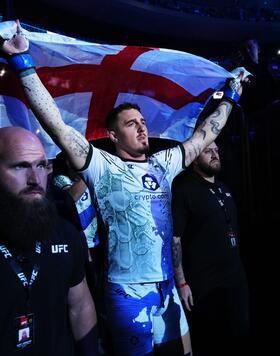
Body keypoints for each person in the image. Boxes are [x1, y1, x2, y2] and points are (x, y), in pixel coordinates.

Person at [0, 20, 247, 356]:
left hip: (167, 289)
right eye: (132, 124)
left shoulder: (164, 164)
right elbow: (56, 124)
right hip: (128, 293)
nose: (142, 129)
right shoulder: (102, 166)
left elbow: (204, 135)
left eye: (143, 123)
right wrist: (23, 63)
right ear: (114, 135)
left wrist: (231, 96)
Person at [0, 126, 99, 356]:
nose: (35, 179)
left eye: (41, 165)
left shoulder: (66, 233)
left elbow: (80, 305)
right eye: (20, 166)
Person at [171, 141, 250, 356]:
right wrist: (182, 283)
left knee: (239, 337)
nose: (215, 155)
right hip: (205, 285)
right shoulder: (185, 190)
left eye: (217, 150)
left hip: (235, 281)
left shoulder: (224, 188)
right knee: (212, 342)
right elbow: (175, 238)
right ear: (195, 157)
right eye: (208, 151)